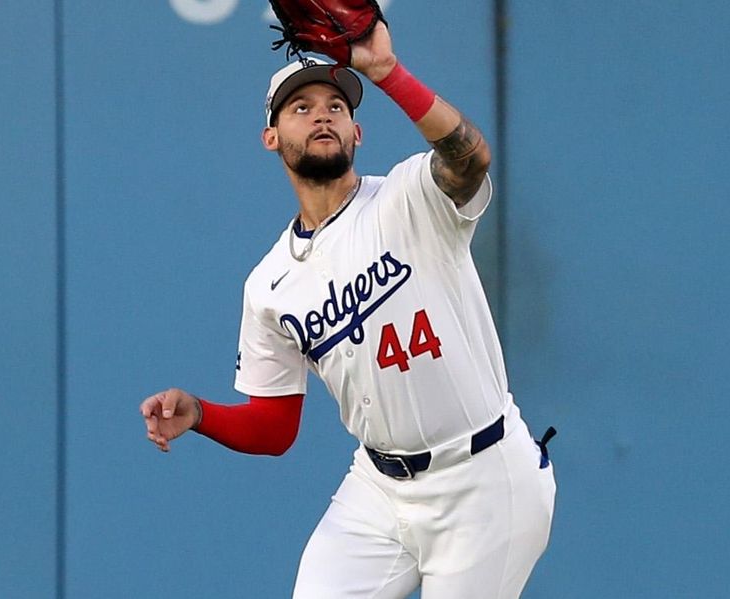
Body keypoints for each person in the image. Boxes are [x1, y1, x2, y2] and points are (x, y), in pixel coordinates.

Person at [140, 21, 555, 599]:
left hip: (484, 480)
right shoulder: (270, 284)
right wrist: (202, 413)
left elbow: (471, 160)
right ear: (270, 137)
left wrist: (386, 72)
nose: (322, 115)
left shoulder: (410, 198)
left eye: (336, 105)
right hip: (380, 489)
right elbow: (275, 426)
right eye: (300, 106)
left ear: (357, 132)